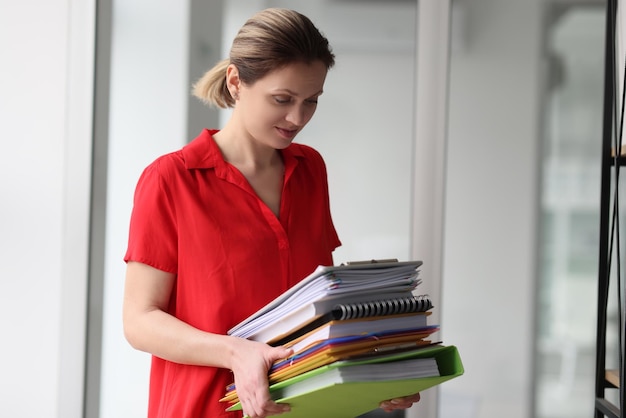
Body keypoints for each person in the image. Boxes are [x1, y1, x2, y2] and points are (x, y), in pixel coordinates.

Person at [122, 7, 420, 418]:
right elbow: (139, 320)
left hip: (302, 408)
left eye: (311, 101)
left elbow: (319, 304)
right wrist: (236, 353)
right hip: (204, 408)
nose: (298, 118)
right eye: (282, 99)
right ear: (236, 82)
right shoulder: (171, 179)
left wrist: (372, 368)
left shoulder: (310, 169)